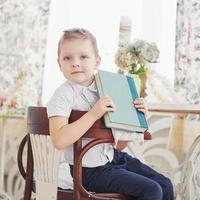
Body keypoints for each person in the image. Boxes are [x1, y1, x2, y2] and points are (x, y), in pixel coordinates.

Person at [47, 28, 174, 200]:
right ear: (59, 63)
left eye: (83, 57)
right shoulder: (63, 94)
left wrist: (139, 118)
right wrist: (93, 114)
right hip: (87, 170)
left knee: (165, 185)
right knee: (152, 191)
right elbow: (59, 140)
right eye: (67, 58)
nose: (75, 63)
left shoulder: (108, 87)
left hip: (113, 158)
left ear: (97, 61)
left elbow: (118, 144)